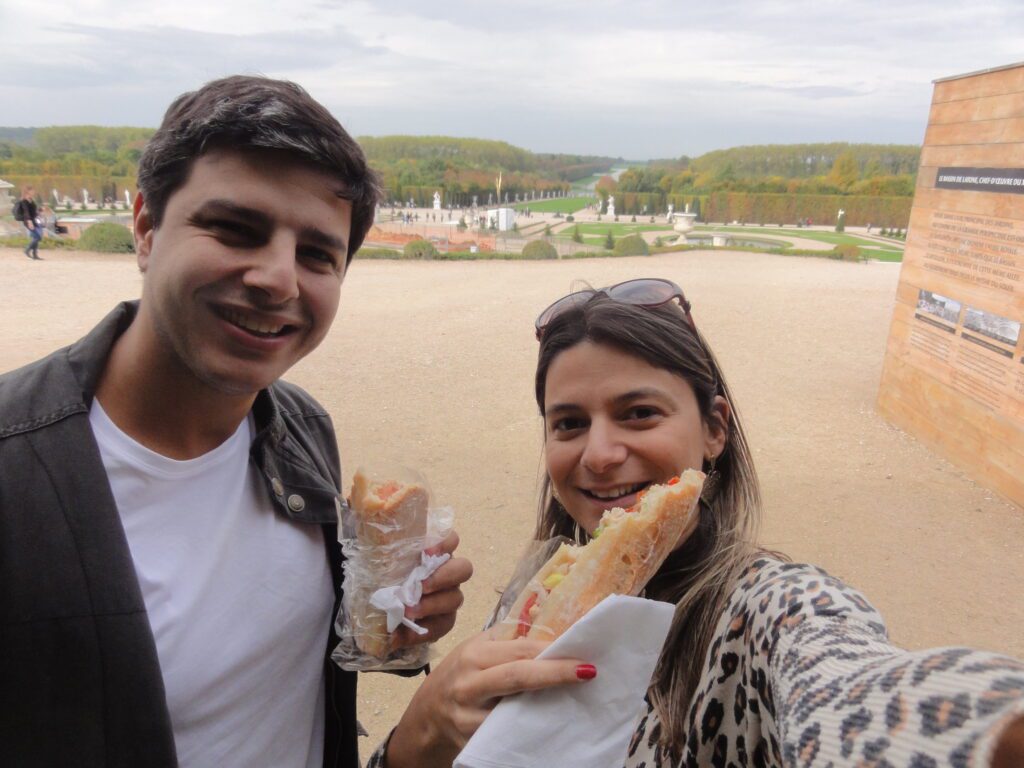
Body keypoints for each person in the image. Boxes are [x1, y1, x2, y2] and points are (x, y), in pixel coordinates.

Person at [0, 75, 483, 768]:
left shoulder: (302, 427)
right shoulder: (13, 469)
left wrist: (394, 611)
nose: (278, 279)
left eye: (317, 254)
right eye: (234, 229)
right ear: (146, 226)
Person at [394, 278, 1024, 767]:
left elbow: (846, 682)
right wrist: (420, 733)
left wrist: (985, 730)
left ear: (715, 429)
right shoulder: (526, 601)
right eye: (569, 423)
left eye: (639, 413)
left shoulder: (767, 610)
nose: (599, 453)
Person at [14, 185, 42, 259]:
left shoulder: (31, 200)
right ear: (28, 191)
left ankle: (35, 255)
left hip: (34, 220)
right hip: (28, 221)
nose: (34, 192)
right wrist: (29, 222)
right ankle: (27, 249)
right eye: (32, 190)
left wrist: (40, 210)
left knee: (36, 237)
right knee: (38, 237)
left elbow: (33, 211)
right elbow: (26, 212)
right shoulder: (24, 201)